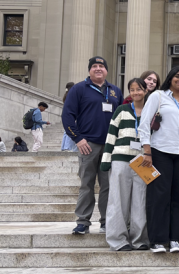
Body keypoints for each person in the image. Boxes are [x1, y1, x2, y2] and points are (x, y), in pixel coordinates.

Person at [62, 56, 123, 235]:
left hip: (109, 145)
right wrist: (78, 139)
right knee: (86, 184)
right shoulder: (78, 89)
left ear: (106, 70)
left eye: (101, 66)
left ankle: (106, 221)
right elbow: (67, 116)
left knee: (107, 186)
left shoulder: (114, 91)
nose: (98, 69)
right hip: (87, 144)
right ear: (89, 70)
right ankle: (82, 221)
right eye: (94, 66)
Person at [140, 67, 179, 253]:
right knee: (159, 196)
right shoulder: (158, 96)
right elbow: (144, 124)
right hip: (160, 151)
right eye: (177, 76)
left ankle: (175, 239)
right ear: (170, 78)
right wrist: (146, 151)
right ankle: (157, 240)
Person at [100, 78, 150, 251]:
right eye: (132, 89)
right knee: (118, 200)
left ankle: (140, 239)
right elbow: (111, 136)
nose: (136, 92)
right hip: (120, 159)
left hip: (143, 161)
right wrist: (106, 160)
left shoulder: (151, 112)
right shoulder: (121, 110)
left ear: (145, 91)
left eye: (139, 89)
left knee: (140, 201)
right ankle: (118, 240)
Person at [62, 82, 79, 152]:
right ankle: (68, 147)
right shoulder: (71, 94)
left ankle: (64, 147)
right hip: (73, 115)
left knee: (66, 132)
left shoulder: (65, 95)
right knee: (72, 131)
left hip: (67, 115)